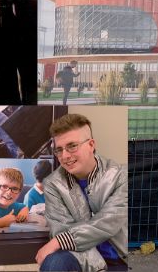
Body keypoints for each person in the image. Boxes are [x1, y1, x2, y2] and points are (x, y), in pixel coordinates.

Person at [35, 114, 127, 272]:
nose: (64, 156)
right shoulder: (52, 184)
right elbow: (61, 229)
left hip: (121, 259)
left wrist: (57, 242)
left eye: (72, 146)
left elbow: (109, 221)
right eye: (59, 150)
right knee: (54, 262)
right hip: (81, 257)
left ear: (91, 145)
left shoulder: (120, 175)